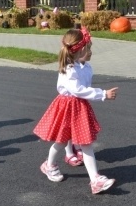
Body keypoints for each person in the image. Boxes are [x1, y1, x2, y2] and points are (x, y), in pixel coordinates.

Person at [34, 28, 119, 194]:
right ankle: (49, 165)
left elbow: (83, 90)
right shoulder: (69, 69)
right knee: (61, 141)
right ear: (81, 50)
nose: (91, 51)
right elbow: (78, 90)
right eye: (89, 47)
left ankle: (95, 179)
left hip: (79, 107)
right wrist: (103, 94)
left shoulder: (85, 67)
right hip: (67, 108)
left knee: (86, 143)